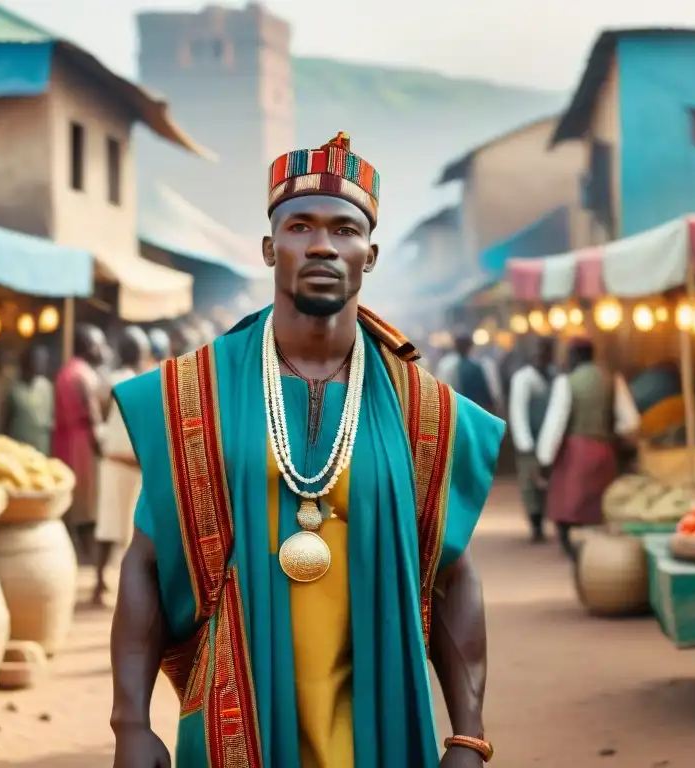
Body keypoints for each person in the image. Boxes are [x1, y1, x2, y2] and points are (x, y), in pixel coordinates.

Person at [110, 132, 504, 768]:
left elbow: (452, 572)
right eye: (300, 226)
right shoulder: (193, 395)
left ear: (369, 255)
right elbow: (146, 562)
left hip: (380, 720)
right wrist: (130, 720)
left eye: (344, 230)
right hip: (238, 717)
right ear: (271, 248)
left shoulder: (425, 412)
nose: (322, 244)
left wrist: (468, 732)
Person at [535, 337, 640, 559]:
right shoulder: (613, 379)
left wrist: (545, 458)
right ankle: (598, 546)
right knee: (599, 502)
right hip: (605, 448)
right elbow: (630, 421)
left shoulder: (567, 382)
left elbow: (556, 422)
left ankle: (570, 546)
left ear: (574, 356)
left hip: (575, 450)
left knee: (569, 501)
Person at [93, 326, 151, 606]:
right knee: (121, 527)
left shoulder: (111, 381)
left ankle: (102, 582)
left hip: (121, 463)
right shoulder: (140, 382)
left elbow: (101, 418)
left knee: (112, 525)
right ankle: (104, 583)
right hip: (124, 463)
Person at [53, 323, 106, 556]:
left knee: (71, 500)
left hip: (62, 442)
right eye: (99, 344)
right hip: (83, 445)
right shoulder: (83, 374)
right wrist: (102, 448)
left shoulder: (64, 372)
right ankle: (87, 556)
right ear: (88, 346)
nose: (102, 349)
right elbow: (93, 415)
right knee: (87, 504)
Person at [508, 335, 555, 543]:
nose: (542, 355)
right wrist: (525, 444)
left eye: (546, 351)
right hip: (530, 440)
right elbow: (517, 412)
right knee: (530, 484)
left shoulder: (553, 375)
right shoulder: (523, 378)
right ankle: (536, 523)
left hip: (550, 438)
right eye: (538, 351)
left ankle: (544, 518)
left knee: (546, 484)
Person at [435, 333, 503, 414]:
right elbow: (493, 392)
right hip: (476, 410)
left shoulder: (446, 365)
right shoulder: (482, 364)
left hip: (459, 411)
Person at [5, 345, 55, 455]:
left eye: (43, 360)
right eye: (37, 360)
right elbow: (5, 422)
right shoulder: (14, 389)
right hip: (19, 447)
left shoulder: (47, 387)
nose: (41, 364)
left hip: (42, 445)